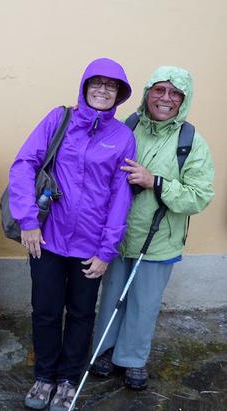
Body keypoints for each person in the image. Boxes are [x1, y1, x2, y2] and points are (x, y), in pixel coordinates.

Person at [8, 58, 136, 411]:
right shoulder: (58, 119)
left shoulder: (123, 137)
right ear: (84, 85)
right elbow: (24, 165)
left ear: (120, 94)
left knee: (81, 314)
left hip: (90, 245)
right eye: (96, 82)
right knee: (46, 311)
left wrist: (107, 249)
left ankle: (68, 380)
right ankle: (45, 376)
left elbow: (120, 196)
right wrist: (28, 221)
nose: (103, 89)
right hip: (47, 238)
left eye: (112, 85)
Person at [91, 66, 215, 391]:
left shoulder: (191, 142)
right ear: (147, 93)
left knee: (144, 303)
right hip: (117, 237)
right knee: (112, 297)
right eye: (159, 90)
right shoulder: (126, 128)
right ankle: (105, 351)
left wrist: (155, 182)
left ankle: (132, 359)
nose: (166, 98)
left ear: (183, 101)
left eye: (175, 93)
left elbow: (199, 196)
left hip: (159, 240)